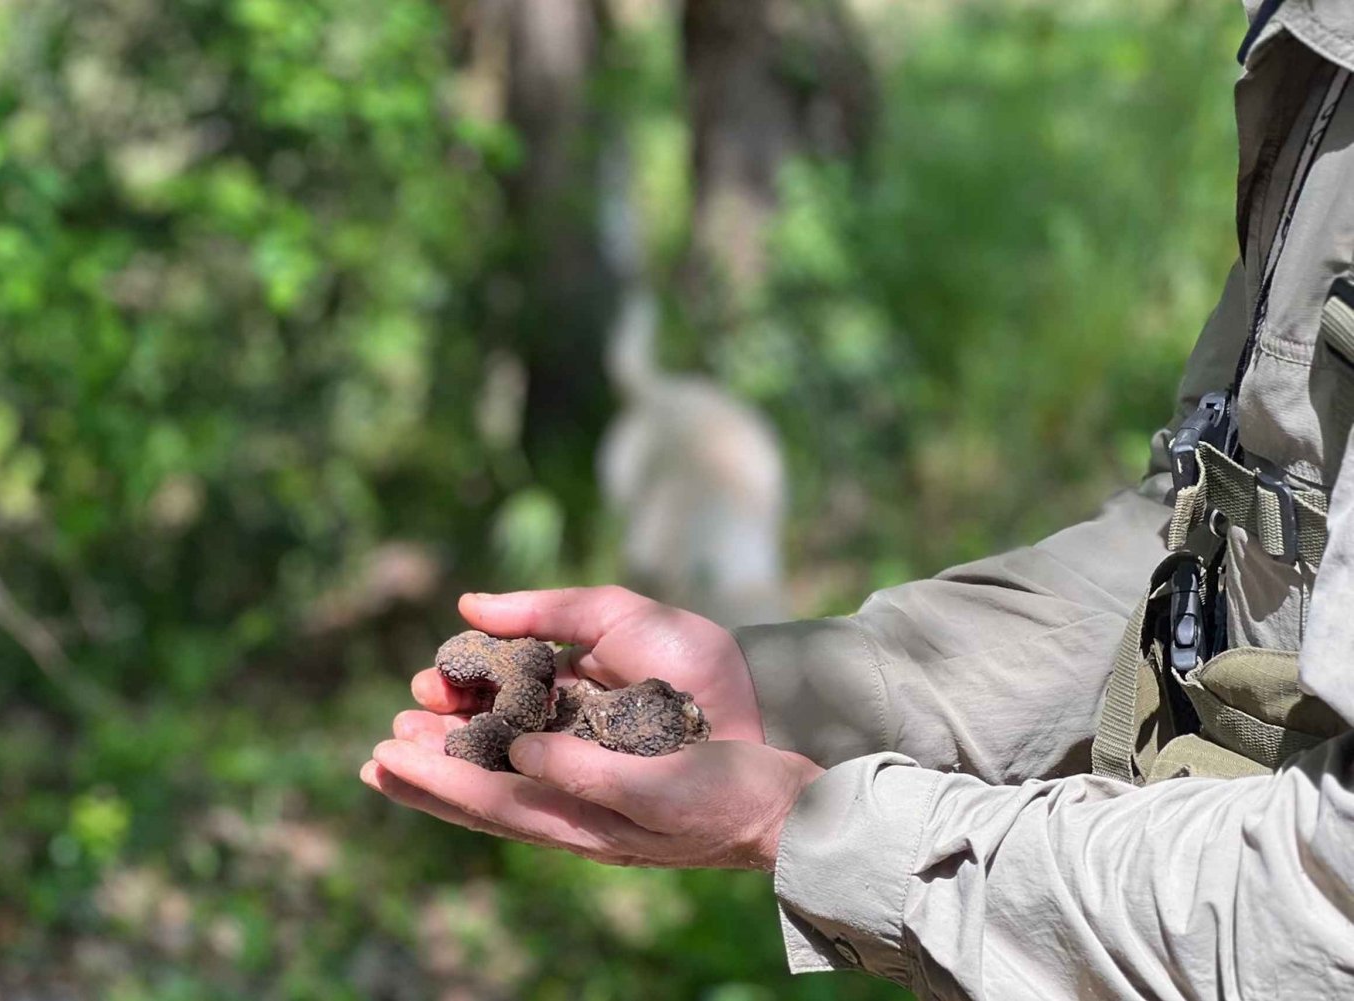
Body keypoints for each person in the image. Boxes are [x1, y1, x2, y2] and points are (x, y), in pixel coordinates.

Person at [362, 3, 1354, 997]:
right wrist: (802, 688)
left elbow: (1327, 906)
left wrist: (822, 826)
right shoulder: (1314, 54)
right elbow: (1207, 536)